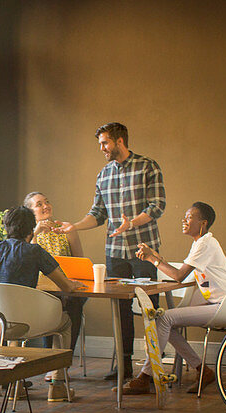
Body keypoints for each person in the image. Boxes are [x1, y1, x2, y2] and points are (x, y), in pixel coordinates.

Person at [55, 122, 166, 380]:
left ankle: (153, 371)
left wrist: (131, 223)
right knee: (120, 311)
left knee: (150, 311)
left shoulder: (148, 166)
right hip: (114, 252)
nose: (102, 148)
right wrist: (75, 226)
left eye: (105, 143)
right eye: (100, 144)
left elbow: (157, 206)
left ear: (119, 141)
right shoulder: (103, 174)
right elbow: (98, 214)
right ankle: (124, 367)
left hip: (143, 250)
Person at [118, 202, 226, 395]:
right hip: (220, 302)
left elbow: (179, 276)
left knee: (164, 318)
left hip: (225, 305)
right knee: (165, 321)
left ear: (203, 223)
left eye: (190, 217)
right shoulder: (202, 242)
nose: (184, 220)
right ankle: (202, 370)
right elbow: (181, 273)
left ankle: (145, 377)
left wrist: (152, 259)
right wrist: (156, 257)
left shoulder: (205, 244)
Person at [0, 206, 86, 402]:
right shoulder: (34, 251)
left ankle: (14, 387)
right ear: (31, 230)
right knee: (66, 322)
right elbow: (65, 286)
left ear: (6, 227)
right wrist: (74, 284)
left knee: (12, 320)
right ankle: (57, 385)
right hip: (23, 323)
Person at [24, 192, 87, 358]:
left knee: (74, 302)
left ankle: (65, 357)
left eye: (47, 201)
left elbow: (80, 261)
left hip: (68, 286)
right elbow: (26, 259)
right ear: (30, 212)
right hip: (40, 290)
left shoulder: (66, 229)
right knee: (52, 302)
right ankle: (50, 359)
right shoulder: (28, 234)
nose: (45, 206)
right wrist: (35, 234)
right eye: (39, 204)